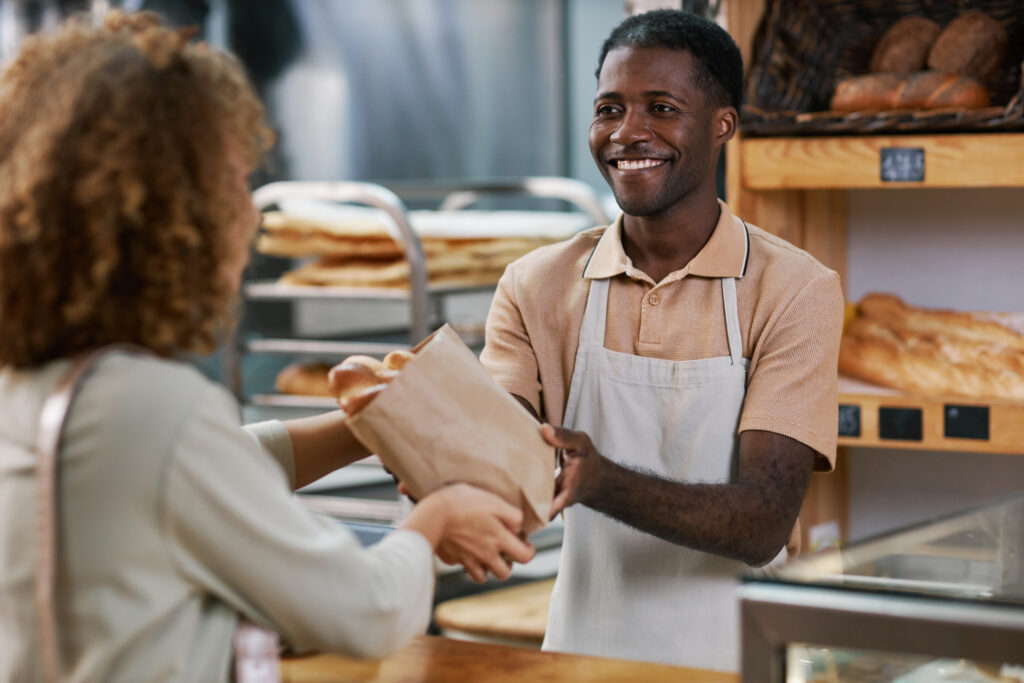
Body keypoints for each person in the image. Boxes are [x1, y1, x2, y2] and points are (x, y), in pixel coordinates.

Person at [0, 11, 534, 682]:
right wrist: (436, 518)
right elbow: (364, 612)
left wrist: (372, 422)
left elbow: (213, 464)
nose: (250, 213)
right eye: (230, 181)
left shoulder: (49, 384)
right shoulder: (152, 407)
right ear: (165, 210)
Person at [481, 9, 843, 672]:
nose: (627, 132)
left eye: (661, 107)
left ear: (722, 125)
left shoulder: (794, 289)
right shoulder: (535, 285)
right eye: (609, 107)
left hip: (738, 660)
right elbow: (500, 454)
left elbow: (764, 520)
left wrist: (600, 479)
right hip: (582, 652)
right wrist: (436, 447)